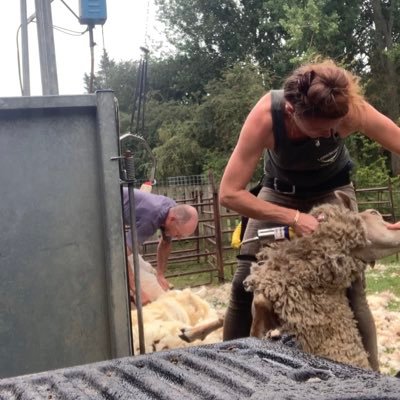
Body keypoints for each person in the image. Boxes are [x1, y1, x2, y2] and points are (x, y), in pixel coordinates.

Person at [219, 59, 400, 371]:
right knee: (244, 283)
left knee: (353, 286)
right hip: (280, 190)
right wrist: (292, 218)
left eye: (335, 126)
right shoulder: (267, 115)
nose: (331, 133)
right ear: (293, 111)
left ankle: (371, 380)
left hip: (333, 189)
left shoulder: (351, 109)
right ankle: (227, 369)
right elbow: (229, 193)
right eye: (321, 129)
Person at [123, 187, 198, 303]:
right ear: (172, 220)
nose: (178, 238)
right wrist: (136, 290)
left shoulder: (171, 208)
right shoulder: (151, 219)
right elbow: (121, 253)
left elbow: (166, 242)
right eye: (178, 233)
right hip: (100, 205)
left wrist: (160, 274)